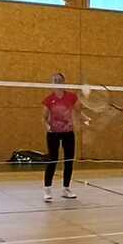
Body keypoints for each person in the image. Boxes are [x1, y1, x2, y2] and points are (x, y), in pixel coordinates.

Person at [41, 72, 88, 202]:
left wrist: (85, 119)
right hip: (53, 134)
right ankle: (47, 190)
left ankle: (66, 189)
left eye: (59, 79)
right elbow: (44, 118)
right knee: (53, 160)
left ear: (63, 82)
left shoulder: (71, 97)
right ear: (52, 83)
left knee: (69, 160)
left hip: (68, 132)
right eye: (55, 80)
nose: (57, 81)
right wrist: (47, 126)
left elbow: (78, 111)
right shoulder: (48, 99)